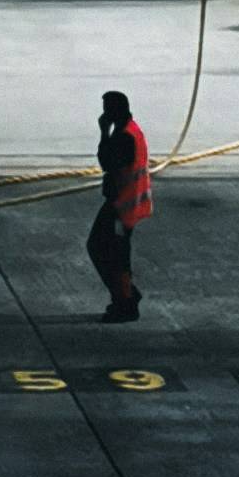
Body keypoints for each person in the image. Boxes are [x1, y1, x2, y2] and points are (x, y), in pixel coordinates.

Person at [88, 89, 150, 320]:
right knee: (111, 251)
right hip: (127, 202)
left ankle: (125, 302)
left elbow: (106, 162)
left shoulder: (123, 137)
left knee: (108, 252)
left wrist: (104, 132)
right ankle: (125, 296)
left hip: (121, 206)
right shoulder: (131, 130)